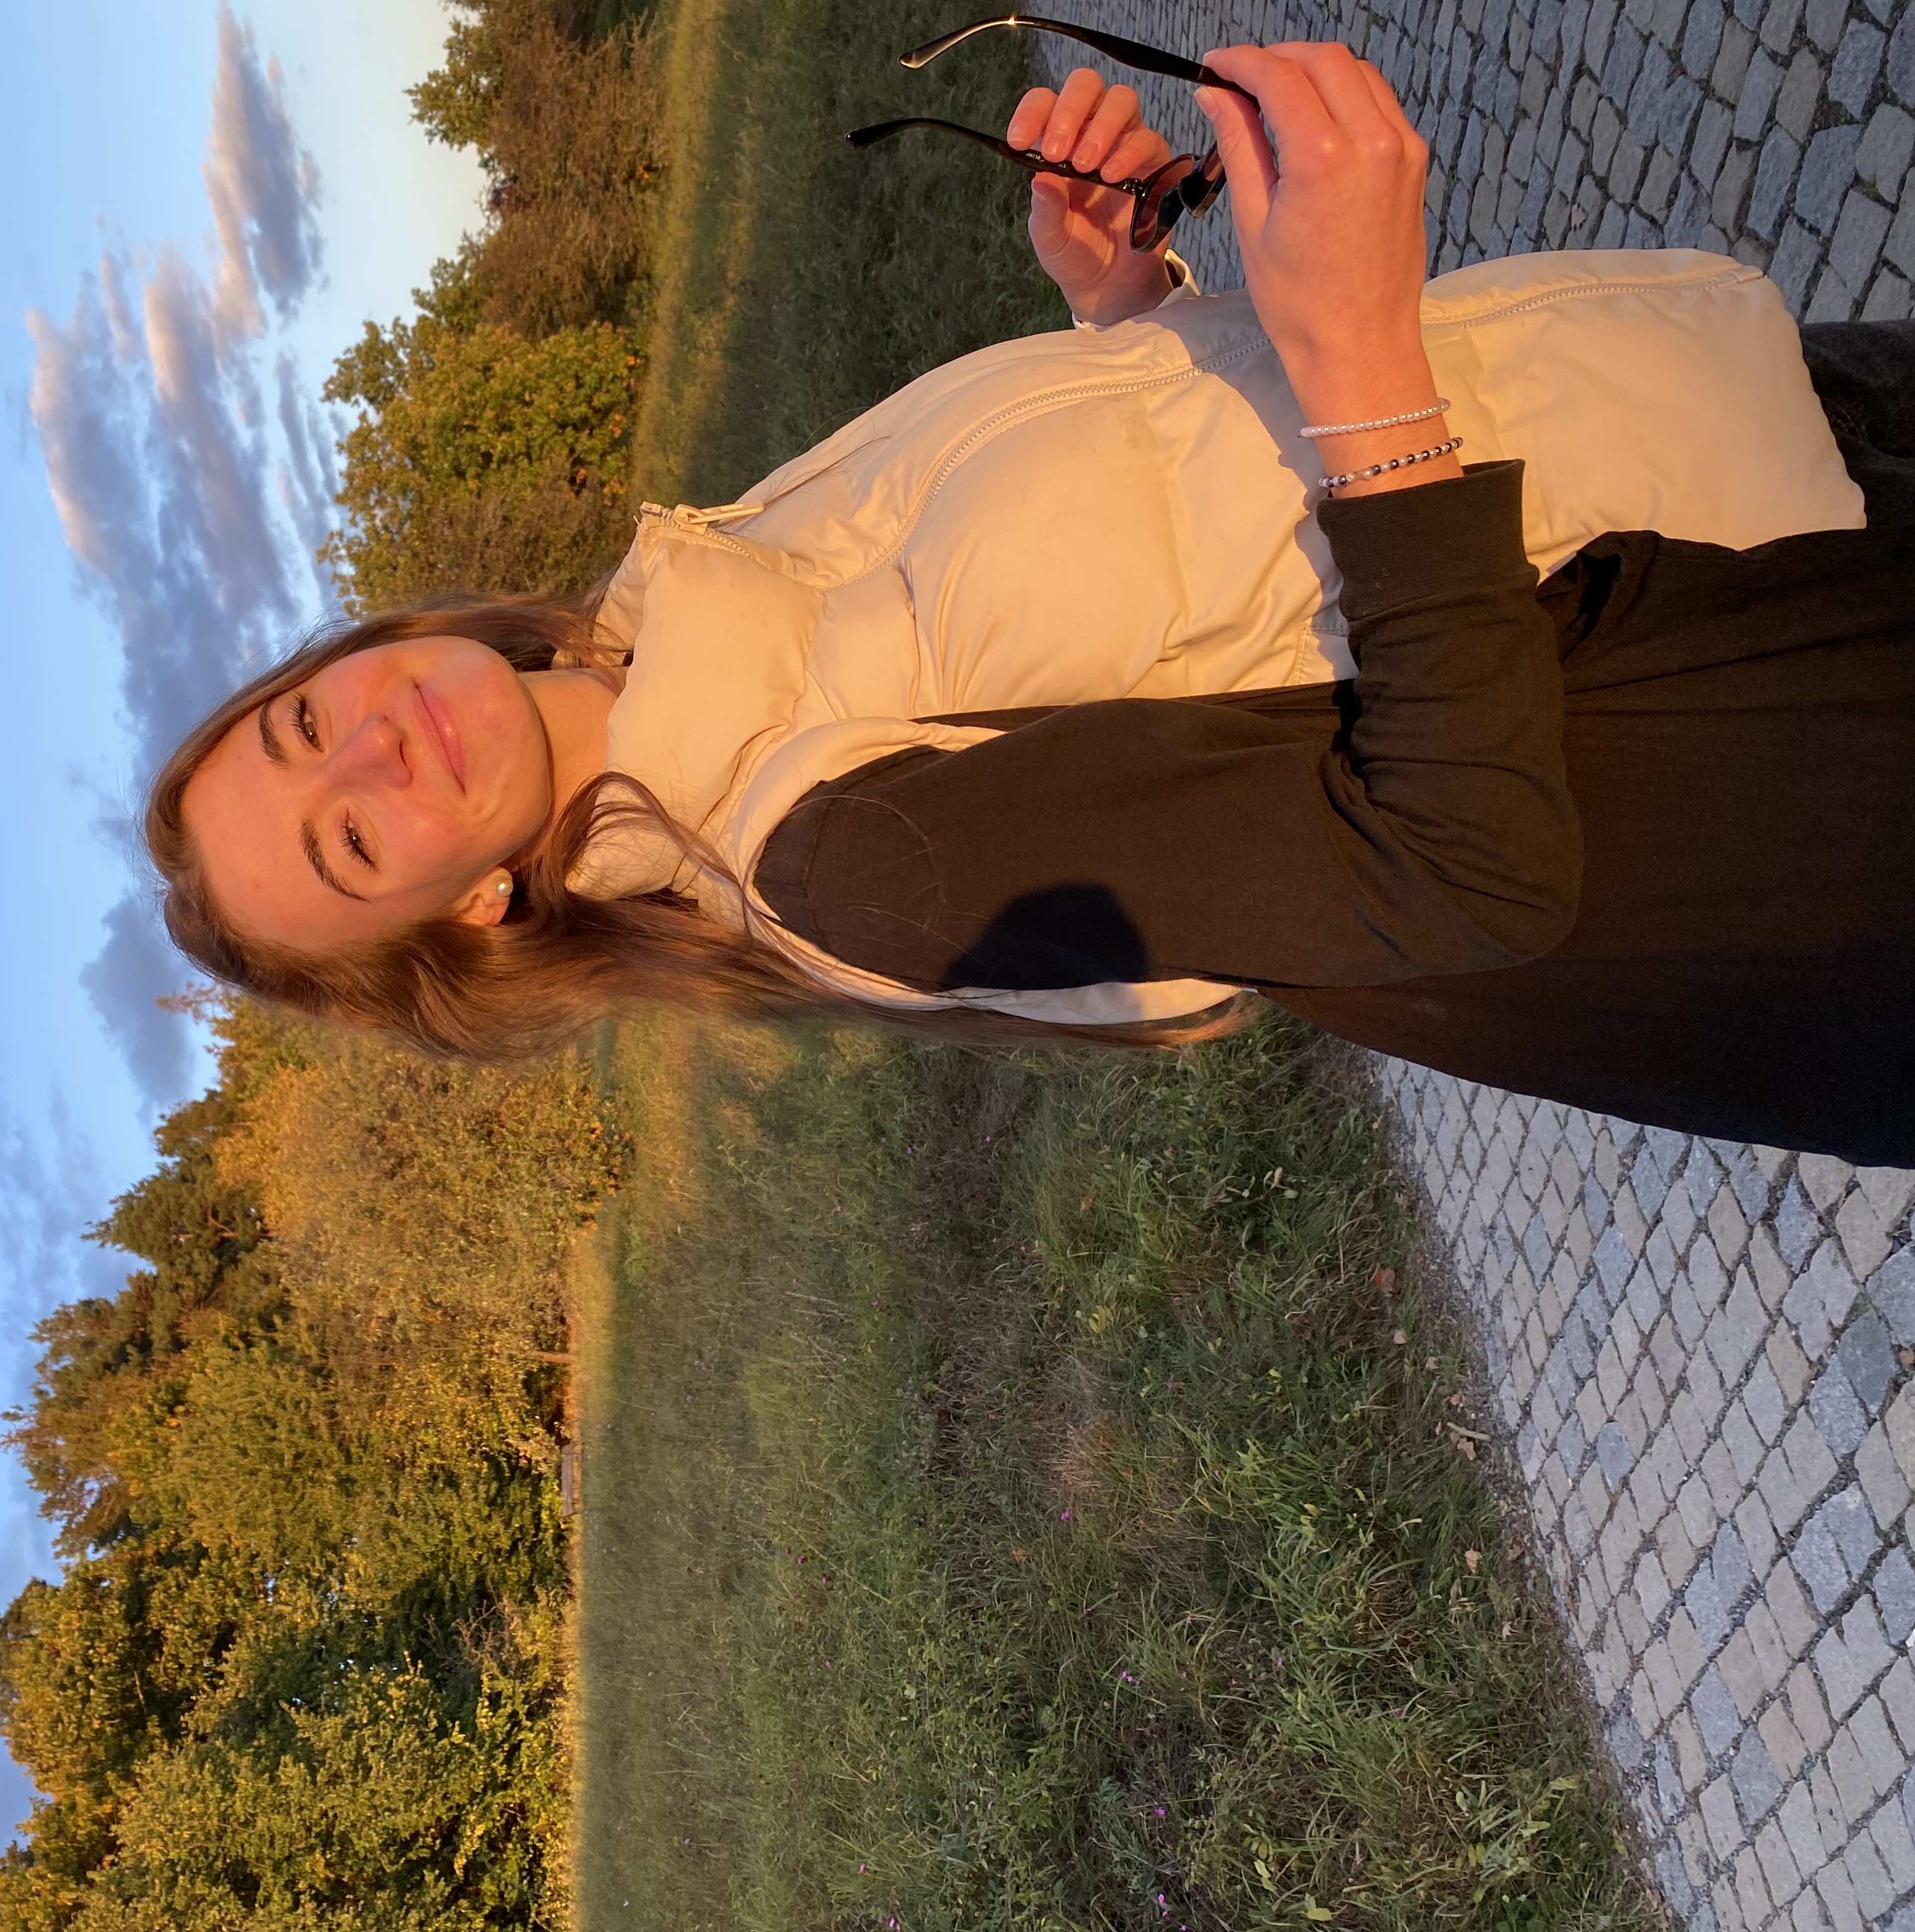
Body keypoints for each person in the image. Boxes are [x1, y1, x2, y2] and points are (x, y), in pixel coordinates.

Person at [150, 43, 1915, 1165]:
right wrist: (1361, 352)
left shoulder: (699, 580)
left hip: (1716, 437)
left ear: (355, 650)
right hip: (1766, 675)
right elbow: (1460, 870)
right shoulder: (840, 860)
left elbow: (1172, 609)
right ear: (468, 917)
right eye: (349, 842)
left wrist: (1128, 308)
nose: (369, 750)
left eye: (308, 722)